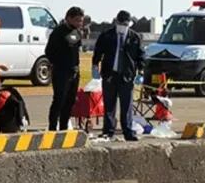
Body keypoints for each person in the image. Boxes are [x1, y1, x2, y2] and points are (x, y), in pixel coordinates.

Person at [92, 10, 145, 141]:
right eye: (121, 23)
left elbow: (141, 56)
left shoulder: (135, 37)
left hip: (127, 76)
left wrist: (141, 71)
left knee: (126, 105)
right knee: (109, 105)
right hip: (110, 74)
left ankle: (127, 131)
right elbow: (98, 52)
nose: (123, 26)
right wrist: (95, 66)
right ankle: (108, 131)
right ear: (116, 22)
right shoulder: (106, 36)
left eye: (125, 24)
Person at [45, 7, 84, 131]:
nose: (79, 23)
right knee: (59, 100)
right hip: (61, 71)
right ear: (69, 18)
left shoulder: (77, 32)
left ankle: (64, 126)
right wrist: (58, 63)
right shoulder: (58, 32)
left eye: (81, 21)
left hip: (74, 71)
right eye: (77, 20)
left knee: (70, 101)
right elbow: (49, 52)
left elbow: (76, 49)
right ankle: (52, 127)